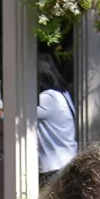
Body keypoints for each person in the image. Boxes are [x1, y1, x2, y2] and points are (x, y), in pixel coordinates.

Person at [37, 53, 77, 186]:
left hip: (53, 165)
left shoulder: (48, 98)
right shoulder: (64, 94)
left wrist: (1, 115)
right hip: (67, 160)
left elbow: (22, 116)